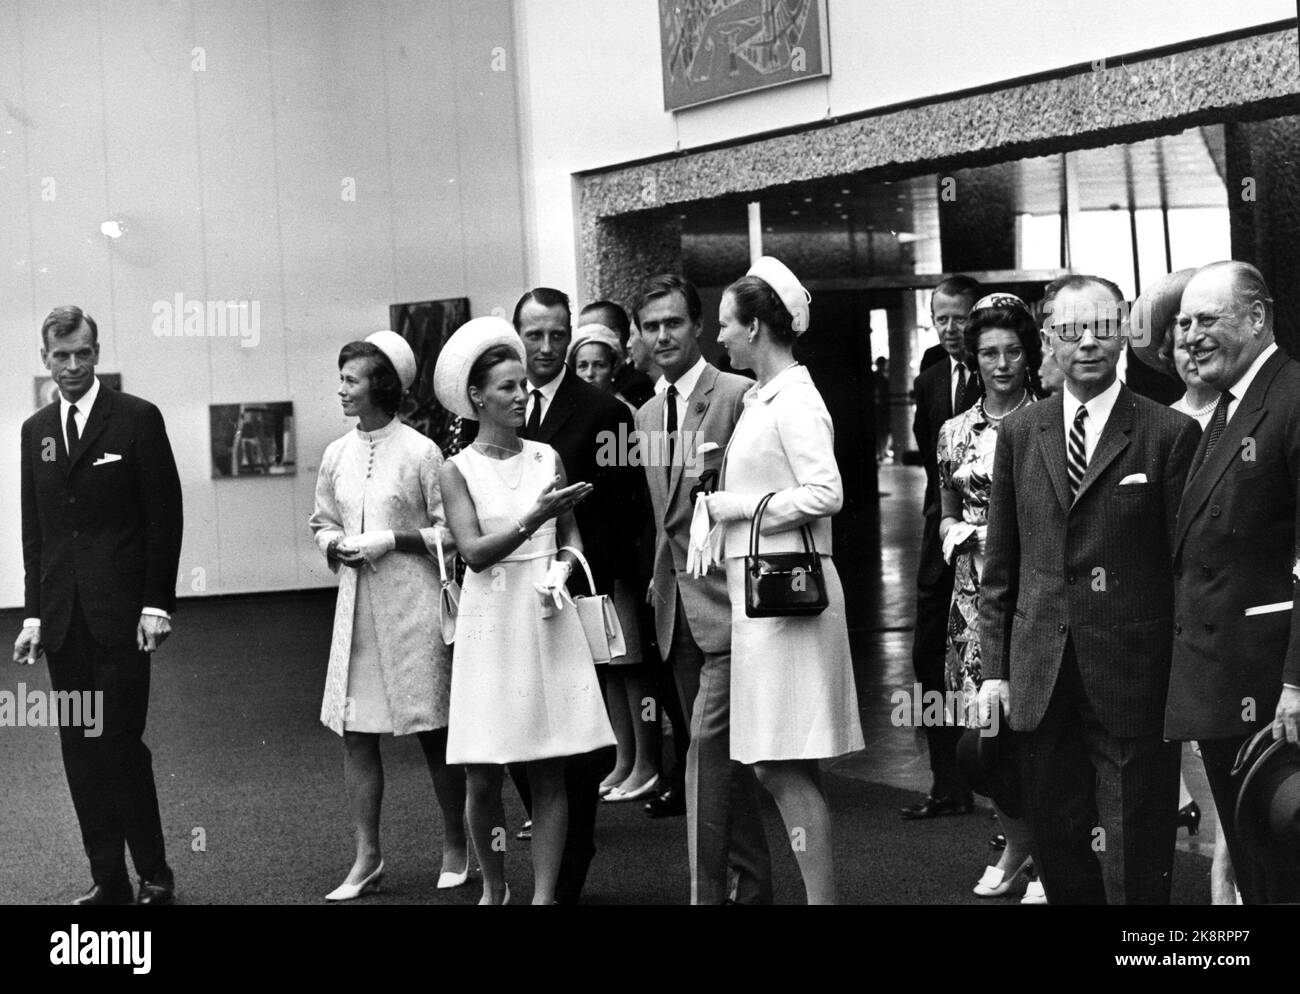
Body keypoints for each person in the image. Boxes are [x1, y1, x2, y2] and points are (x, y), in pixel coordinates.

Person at [977, 274, 1201, 904]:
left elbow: (1184, 569)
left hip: (1133, 673)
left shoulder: (1167, 433)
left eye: (1103, 328)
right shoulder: (1023, 433)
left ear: (1125, 331)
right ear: (1049, 339)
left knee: (1135, 841)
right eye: (1071, 331)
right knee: (1059, 837)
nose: (1088, 343)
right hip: (1041, 673)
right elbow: (1002, 561)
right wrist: (995, 670)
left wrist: (1182, 677)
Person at [436, 317, 615, 905]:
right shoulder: (456, 469)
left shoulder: (547, 457)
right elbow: (474, 553)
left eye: (521, 386)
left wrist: (563, 566)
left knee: (550, 764)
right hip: (491, 624)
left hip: (545, 617)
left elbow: (573, 537)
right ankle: (494, 886)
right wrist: (534, 519)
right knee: (483, 771)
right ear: (477, 397)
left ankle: (543, 897)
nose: (519, 396)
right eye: (506, 387)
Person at [702, 257, 865, 904]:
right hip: (766, 599)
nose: (719, 338)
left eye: (726, 325)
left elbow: (827, 492)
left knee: (777, 761)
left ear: (756, 329)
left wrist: (741, 508)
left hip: (788, 600)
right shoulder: (765, 396)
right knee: (786, 760)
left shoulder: (796, 397)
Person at [14, 305, 183, 905]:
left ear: (97, 353)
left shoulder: (136, 419)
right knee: (81, 751)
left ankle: (156, 875)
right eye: (61, 356)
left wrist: (156, 604)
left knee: (118, 742)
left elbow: (163, 519)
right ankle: (108, 880)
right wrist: (34, 615)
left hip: (122, 622)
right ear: (45, 359)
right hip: (63, 625)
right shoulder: (35, 432)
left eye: (83, 353)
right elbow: (37, 533)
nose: (73, 365)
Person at [308, 331, 468, 901]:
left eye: (351, 379)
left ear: (382, 385)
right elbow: (321, 519)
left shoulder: (423, 452)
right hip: (356, 617)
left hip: (413, 611)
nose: (342, 390)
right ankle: (367, 856)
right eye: (342, 378)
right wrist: (334, 544)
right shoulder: (335, 454)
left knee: (432, 731)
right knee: (356, 735)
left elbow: (451, 532)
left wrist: (392, 540)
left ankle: (457, 845)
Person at [633, 273, 773, 904]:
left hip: (732, 603)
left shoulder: (741, 395)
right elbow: (664, 519)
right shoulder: (642, 412)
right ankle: (755, 887)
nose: (663, 335)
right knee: (724, 765)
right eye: (651, 326)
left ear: (698, 327)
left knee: (703, 761)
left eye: (674, 323)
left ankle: (705, 894)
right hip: (675, 612)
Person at [1164, 260, 1300, 904]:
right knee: (1256, 861)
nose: (1189, 335)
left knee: (1279, 864)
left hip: (1271, 688)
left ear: (1256, 316)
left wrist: (1297, 683)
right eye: (1184, 322)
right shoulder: (1225, 408)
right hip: (1224, 683)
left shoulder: (1292, 398)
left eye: (1207, 319)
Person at [501, 288, 636, 903]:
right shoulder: (499, 405)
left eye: (559, 334)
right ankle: (553, 825)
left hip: (572, 591)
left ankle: (575, 845)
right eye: (535, 335)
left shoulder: (605, 411)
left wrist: (583, 579)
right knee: (515, 731)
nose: (548, 348)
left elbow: (626, 512)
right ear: (517, 335)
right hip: (507, 600)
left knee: (577, 735)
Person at [935, 293, 1043, 902]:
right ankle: (1015, 842)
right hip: (973, 605)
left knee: (1037, 732)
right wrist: (965, 537)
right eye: (988, 353)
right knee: (987, 740)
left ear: (1029, 356)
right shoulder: (954, 431)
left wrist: (994, 536)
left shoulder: (1050, 422)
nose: (1001, 364)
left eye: (1012, 351)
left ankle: (1048, 853)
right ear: (973, 359)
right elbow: (945, 513)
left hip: (1037, 601)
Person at [566, 324, 662, 803]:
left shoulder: (622, 414)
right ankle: (625, 758)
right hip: (591, 560)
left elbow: (635, 494)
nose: (589, 373)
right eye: (581, 365)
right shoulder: (575, 412)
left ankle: (647, 760)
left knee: (632, 663)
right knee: (609, 665)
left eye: (598, 365)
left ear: (614, 367)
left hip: (620, 557)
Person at [904, 274, 983, 819]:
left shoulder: (1008, 369)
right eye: (942, 318)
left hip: (994, 545)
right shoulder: (931, 378)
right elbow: (932, 466)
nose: (951, 329)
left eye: (960, 317)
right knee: (929, 659)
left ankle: (1002, 787)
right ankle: (947, 783)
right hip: (942, 542)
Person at [580, 299, 655, 408]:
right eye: (582, 366)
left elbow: (622, 424)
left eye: (589, 336)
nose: (589, 373)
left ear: (614, 336)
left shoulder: (636, 387)